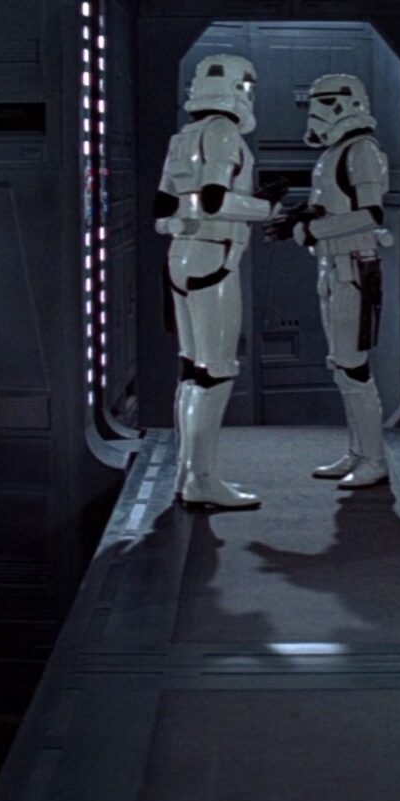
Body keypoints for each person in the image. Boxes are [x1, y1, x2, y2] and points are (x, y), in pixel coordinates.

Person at [156, 54, 282, 510]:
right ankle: (202, 478)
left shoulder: (183, 136)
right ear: (239, 88)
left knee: (193, 371)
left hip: (180, 256)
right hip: (214, 256)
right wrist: (267, 207)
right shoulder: (223, 132)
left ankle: (187, 473)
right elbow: (214, 200)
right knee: (217, 371)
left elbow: (163, 206)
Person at [265, 73, 394, 488]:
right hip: (335, 268)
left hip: (353, 267)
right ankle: (358, 451)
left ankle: (374, 458)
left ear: (344, 103)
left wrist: (309, 230)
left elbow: (371, 214)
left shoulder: (362, 150)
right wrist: (302, 219)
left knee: (353, 368)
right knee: (342, 365)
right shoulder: (338, 151)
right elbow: (336, 206)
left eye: (321, 103)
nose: (315, 113)